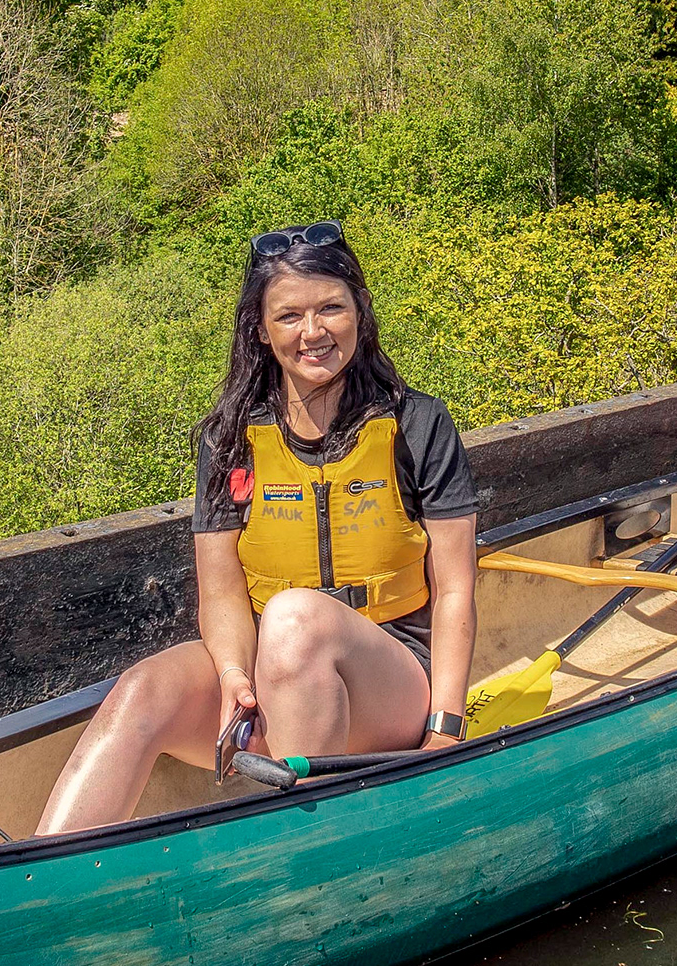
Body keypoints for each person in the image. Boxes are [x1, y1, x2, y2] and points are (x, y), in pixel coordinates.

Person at [34, 224, 481, 835]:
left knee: (297, 621)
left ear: (360, 312)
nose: (313, 332)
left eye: (331, 308)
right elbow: (220, 593)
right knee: (144, 690)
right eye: (290, 315)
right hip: (271, 676)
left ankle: (317, 851)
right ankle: (42, 883)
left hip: (394, 677)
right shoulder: (230, 438)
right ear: (261, 329)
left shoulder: (418, 423)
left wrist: (446, 725)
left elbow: (455, 587)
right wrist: (233, 678)